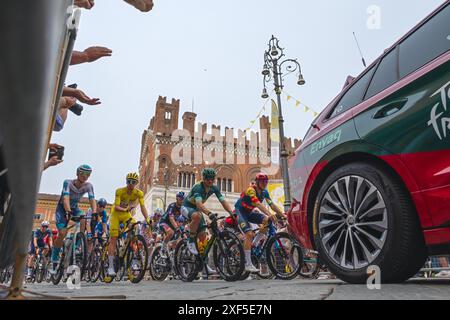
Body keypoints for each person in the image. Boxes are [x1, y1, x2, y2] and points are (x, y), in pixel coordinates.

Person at [234, 172, 287, 272]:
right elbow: (258, 204)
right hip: (240, 212)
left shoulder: (265, 192)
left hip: (249, 212)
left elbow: (272, 205)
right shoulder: (251, 190)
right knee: (249, 234)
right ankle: (248, 264)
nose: (264, 184)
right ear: (257, 182)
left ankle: (254, 244)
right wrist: (269, 214)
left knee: (267, 221)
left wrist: (283, 215)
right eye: (262, 182)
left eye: (266, 182)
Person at [49, 165, 97, 274]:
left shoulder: (88, 186)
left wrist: (94, 212)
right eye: (82, 174)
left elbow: (92, 199)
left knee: (83, 218)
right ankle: (54, 259)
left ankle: (76, 245)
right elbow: (65, 198)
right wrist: (67, 211)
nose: (85, 176)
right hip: (62, 209)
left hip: (74, 208)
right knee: (62, 233)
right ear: (77, 173)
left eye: (88, 175)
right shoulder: (68, 183)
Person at [181, 168, 234, 255]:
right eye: (207, 179)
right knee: (197, 216)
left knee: (203, 236)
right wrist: (209, 213)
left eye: (212, 179)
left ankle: (203, 261)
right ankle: (190, 241)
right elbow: (198, 204)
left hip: (197, 210)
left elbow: (223, 201)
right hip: (187, 207)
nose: (210, 181)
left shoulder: (214, 188)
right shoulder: (198, 187)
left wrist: (231, 213)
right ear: (203, 178)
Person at [107, 172, 151, 276]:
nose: (131, 184)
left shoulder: (138, 193)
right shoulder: (119, 191)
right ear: (126, 182)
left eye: (133, 182)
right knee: (113, 239)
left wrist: (147, 218)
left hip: (126, 215)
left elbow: (143, 207)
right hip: (116, 215)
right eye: (129, 182)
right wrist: (126, 209)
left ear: (136, 183)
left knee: (135, 226)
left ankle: (128, 250)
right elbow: (116, 206)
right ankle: (110, 267)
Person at [159, 192, 185, 256]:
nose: (182, 200)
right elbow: (171, 218)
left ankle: (172, 251)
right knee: (171, 232)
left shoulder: (183, 208)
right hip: (164, 222)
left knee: (183, 236)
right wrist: (176, 227)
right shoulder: (172, 206)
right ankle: (163, 248)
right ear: (177, 198)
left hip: (173, 225)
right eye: (181, 199)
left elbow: (186, 219)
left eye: (183, 199)